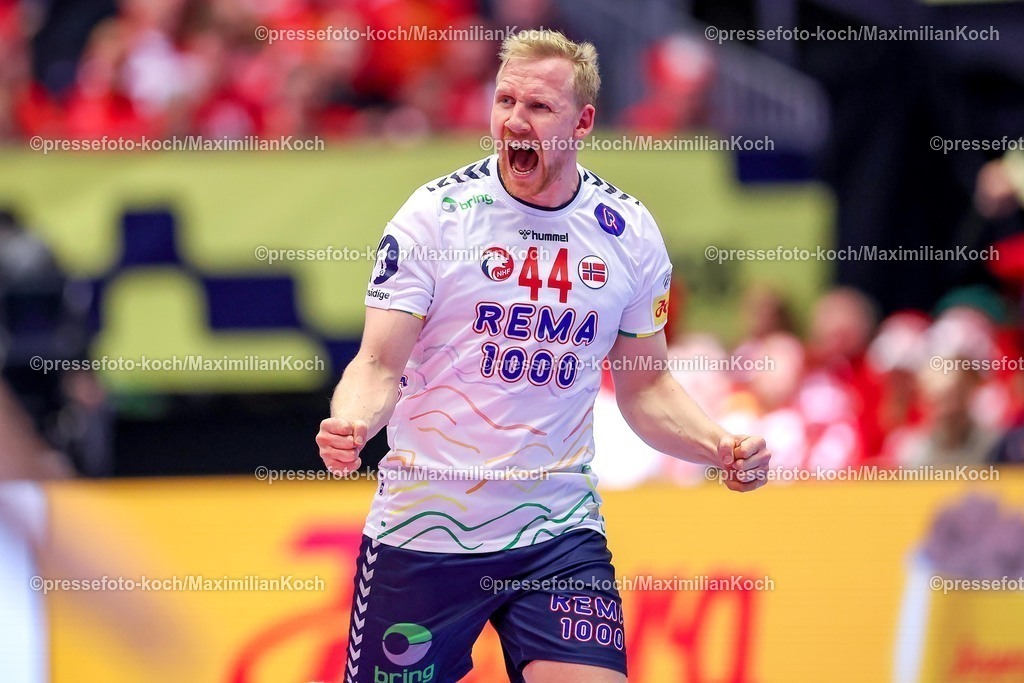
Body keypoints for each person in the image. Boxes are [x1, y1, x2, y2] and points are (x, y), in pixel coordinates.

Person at [317, 29, 771, 683]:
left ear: (582, 121)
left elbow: (646, 388)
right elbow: (377, 365)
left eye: (538, 107)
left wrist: (717, 443)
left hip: (556, 531)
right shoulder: (436, 217)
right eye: (504, 101)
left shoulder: (628, 233)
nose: (514, 121)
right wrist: (353, 422)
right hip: (428, 530)